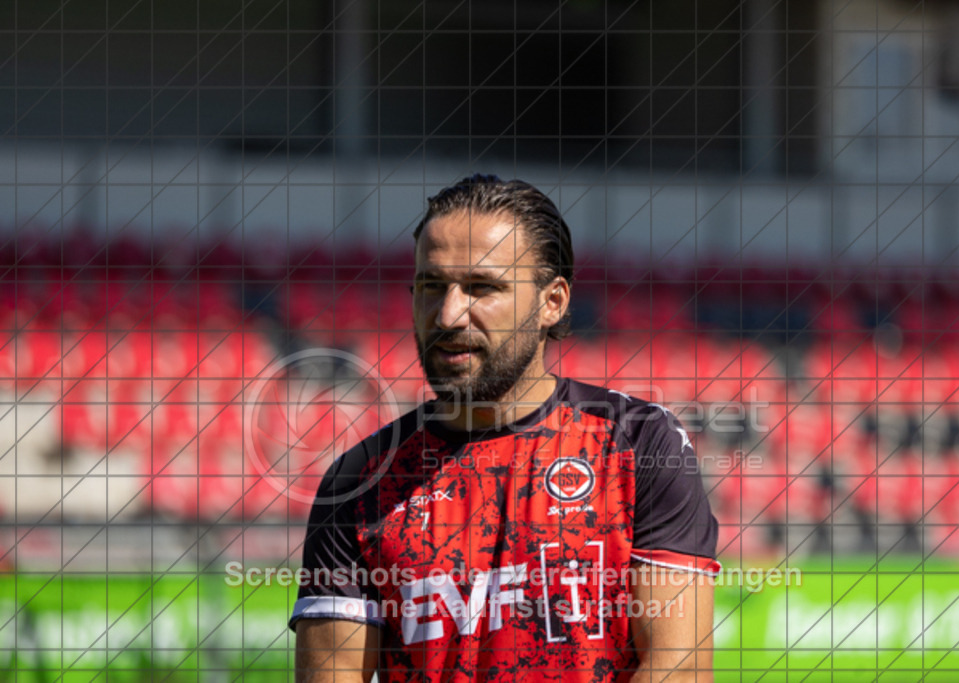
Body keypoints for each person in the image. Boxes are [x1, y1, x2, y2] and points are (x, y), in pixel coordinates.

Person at [291, 174, 720, 682]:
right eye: (431, 286)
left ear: (552, 302)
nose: (448, 314)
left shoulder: (640, 444)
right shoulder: (359, 481)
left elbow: (678, 663)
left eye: (482, 288)